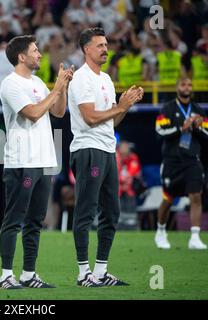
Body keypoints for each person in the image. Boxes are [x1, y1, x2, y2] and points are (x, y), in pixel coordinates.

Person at [68, 27, 143, 287]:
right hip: (88, 149)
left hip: (108, 149)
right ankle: (82, 273)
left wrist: (124, 106)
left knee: (112, 212)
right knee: (86, 211)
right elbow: (89, 118)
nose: (105, 49)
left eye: (106, 44)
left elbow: (113, 121)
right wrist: (119, 107)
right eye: (99, 45)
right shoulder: (81, 79)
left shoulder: (107, 80)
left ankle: (100, 271)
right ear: (86, 49)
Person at [0, 35, 73, 289]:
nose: (40, 54)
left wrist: (61, 89)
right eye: (35, 50)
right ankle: (5, 276)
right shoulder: (10, 84)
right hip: (21, 161)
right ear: (21, 56)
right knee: (14, 219)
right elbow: (32, 113)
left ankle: (28, 274)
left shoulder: (39, 82)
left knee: (35, 221)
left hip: (43, 161)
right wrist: (55, 90)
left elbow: (58, 112)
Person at [154, 77, 208, 250]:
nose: (187, 87)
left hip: (192, 160)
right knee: (168, 198)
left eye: (190, 84)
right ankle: (161, 231)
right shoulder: (168, 108)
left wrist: (198, 127)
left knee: (196, 196)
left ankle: (194, 237)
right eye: (183, 84)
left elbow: (207, 134)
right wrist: (181, 128)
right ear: (177, 87)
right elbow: (160, 131)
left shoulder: (199, 110)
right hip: (172, 161)